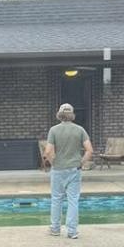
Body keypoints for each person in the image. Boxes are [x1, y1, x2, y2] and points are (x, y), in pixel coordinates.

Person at [43, 102, 93, 238]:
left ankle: (55, 229)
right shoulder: (80, 130)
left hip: (58, 169)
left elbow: (47, 151)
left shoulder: (54, 130)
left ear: (59, 114)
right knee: (73, 200)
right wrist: (81, 163)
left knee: (56, 199)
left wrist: (53, 163)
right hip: (74, 169)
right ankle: (72, 231)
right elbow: (89, 150)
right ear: (72, 115)